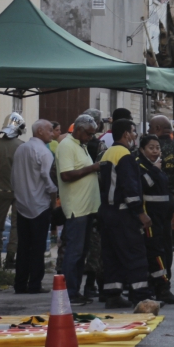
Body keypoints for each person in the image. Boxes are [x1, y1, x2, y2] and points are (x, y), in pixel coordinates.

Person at [97, 119, 155, 309]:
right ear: (125, 134)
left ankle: (113, 295)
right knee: (135, 255)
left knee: (112, 256)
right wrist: (140, 213)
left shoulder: (107, 153)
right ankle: (142, 297)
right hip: (123, 214)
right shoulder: (124, 156)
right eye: (133, 132)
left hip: (107, 213)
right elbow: (130, 188)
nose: (135, 136)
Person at [56, 114, 101, 305]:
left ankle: (75, 290)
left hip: (87, 207)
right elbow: (66, 175)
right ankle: (69, 292)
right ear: (79, 130)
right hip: (77, 208)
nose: (91, 138)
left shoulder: (80, 145)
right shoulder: (66, 146)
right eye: (89, 134)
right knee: (74, 252)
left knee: (81, 252)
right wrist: (93, 168)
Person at [10, 120, 58, 295]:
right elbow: (50, 181)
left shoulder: (20, 149)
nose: (52, 134)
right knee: (37, 248)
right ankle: (34, 284)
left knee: (23, 246)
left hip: (22, 204)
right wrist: (54, 202)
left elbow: (13, 177)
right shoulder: (44, 153)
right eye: (50, 131)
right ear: (40, 131)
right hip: (40, 205)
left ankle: (20, 283)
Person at [136, 134, 174, 304]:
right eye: (151, 148)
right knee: (156, 253)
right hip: (151, 219)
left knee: (165, 251)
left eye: (157, 148)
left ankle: (163, 284)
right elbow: (142, 185)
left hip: (163, 218)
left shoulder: (158, 165)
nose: (155, 151)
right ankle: (161, 288)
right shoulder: (141, 166)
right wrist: (154, 170)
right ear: (142, 149)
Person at [0, 113, 25, 269]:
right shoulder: (22, 146)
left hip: (1, 189)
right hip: (18, 191)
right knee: (16, 226)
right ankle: (11, 257)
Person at [148, 116, 174, 251]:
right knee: (166, 235)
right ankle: (166, 269)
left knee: (154, 239)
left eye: (150, 127)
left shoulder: (153, 147)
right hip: (170, 197)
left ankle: (158, 269)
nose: (148, 130)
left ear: (157, 128)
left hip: (154, 198)